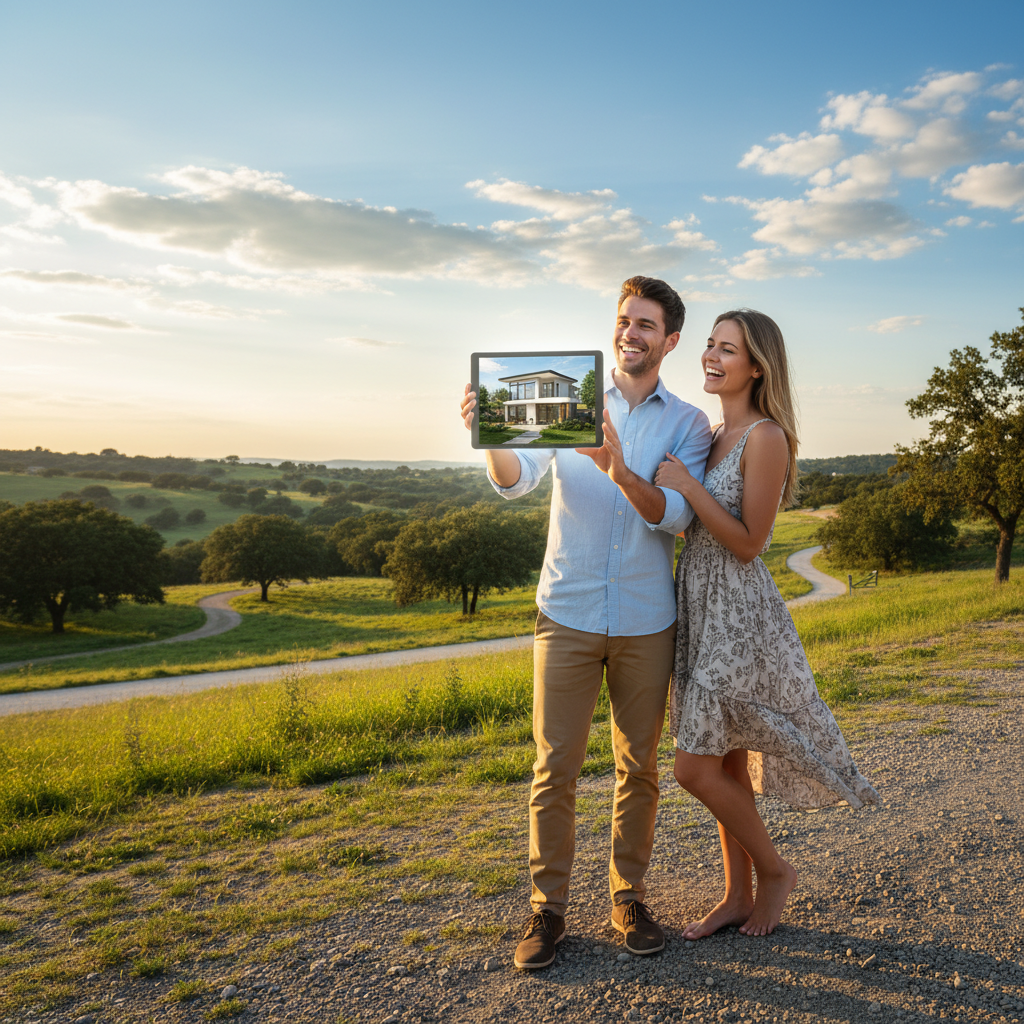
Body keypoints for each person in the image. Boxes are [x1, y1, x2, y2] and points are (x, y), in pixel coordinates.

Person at [460, 277, 713, 969]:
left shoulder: (688, 425)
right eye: (624, 319)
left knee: (639, 767)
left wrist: (618, 469)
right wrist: (489, 433)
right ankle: (547, 912)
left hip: (645, 619)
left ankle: (628, 895)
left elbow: (674, 515)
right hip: (565, 611)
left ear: (670, 341)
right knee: (555, 768)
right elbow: (517, 480)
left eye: (646, 324)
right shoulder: (568, 399)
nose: (631, 333)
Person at [654, 308, 880, 939]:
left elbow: (751, 542)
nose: (712, 356)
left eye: (728, 349)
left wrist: (689, 489)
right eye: (710, 344)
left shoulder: (765, 436)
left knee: (691, 768)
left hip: (738, 614)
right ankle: (735, 895)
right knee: (723, 765)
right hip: (699, 605)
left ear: (757, 367)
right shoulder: (711, 434)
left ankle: (776, 870)